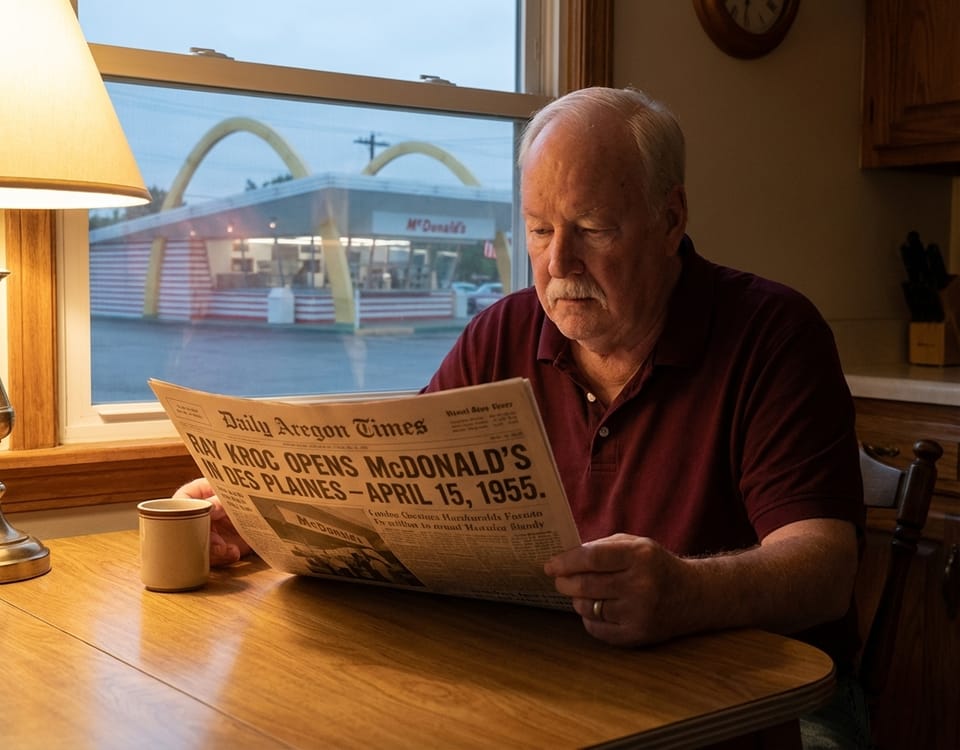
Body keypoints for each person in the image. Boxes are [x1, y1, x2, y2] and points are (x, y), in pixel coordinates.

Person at [176, 87, 867, 748]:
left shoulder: (774, 334)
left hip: (767, 703)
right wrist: (256, 510)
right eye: (539, 230)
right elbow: (398, 498)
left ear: (670, 219)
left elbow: (825, 570)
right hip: (560, 686)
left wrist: (687, 593)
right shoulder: (502, 332)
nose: (558, 262)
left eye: (592, 229)